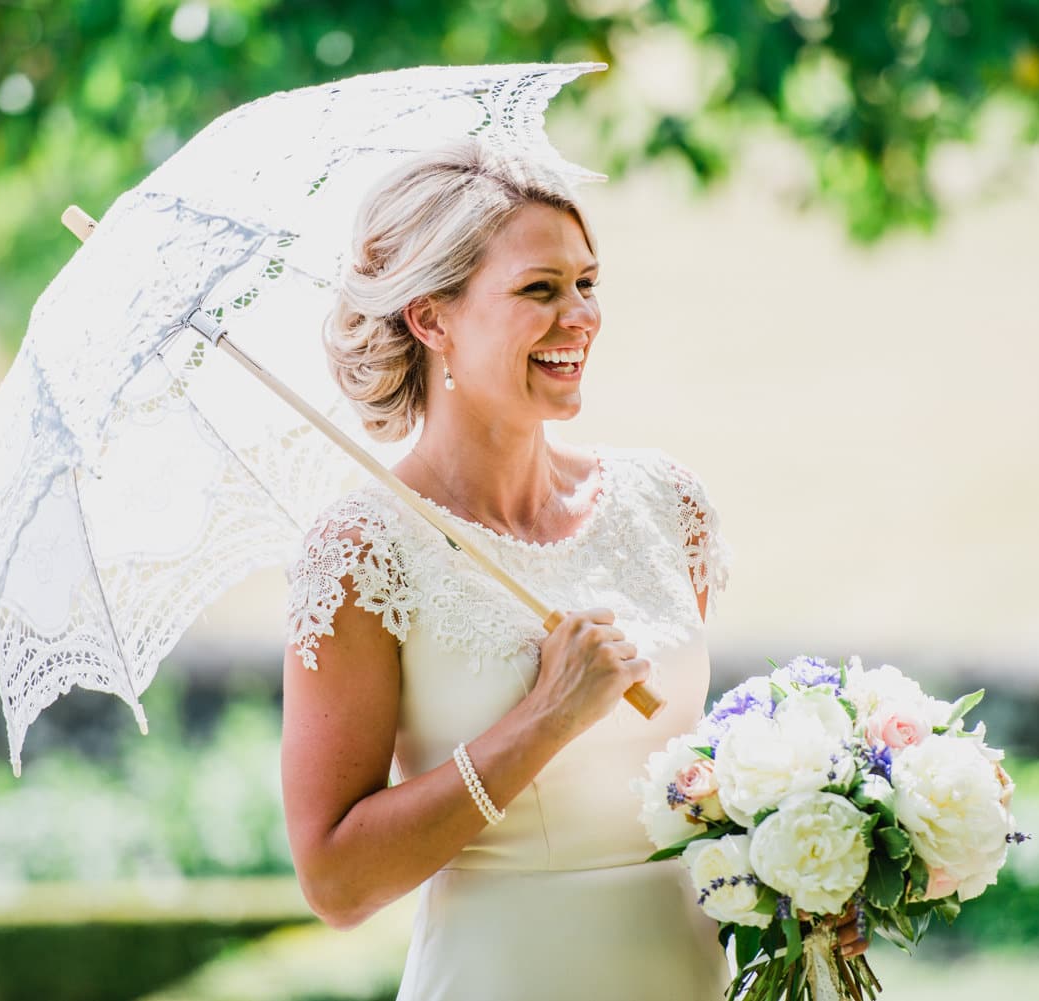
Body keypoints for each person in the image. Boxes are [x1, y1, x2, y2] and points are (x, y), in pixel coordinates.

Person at [281, 140, 865, 1000]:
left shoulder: (667, 503)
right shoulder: (365, 550)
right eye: (539, 290)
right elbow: (336, 882)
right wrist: (545, 718)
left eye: (587, 282)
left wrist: (801, 876)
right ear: (430, 317)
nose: (581, 316)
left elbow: (684, 794)